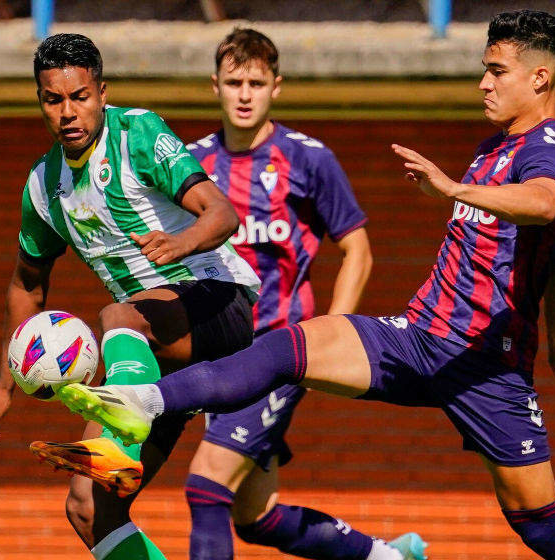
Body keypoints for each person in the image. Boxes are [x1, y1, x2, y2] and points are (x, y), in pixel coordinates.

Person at [55, 10, 555, 559]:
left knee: (539, 525)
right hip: (419, 336)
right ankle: (141, 400)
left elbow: (545, 205)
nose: (483, 82)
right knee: (287, 357)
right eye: (485, 69)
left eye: (497, 71)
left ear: (540, 78)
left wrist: (450, 189)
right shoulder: (496, 148)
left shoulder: (550, 150)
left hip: (486, 365)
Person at [0, 32, 263, 560]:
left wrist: (182, 241)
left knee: (117, 313)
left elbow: (223, 213)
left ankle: (123, 423)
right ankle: (127, 420)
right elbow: (27, 286)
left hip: (218, 304)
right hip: (148, 354)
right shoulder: (43, 185)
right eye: (53, 100)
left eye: (80, 96)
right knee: (87, 505)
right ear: (41, 102)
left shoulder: (136, 134)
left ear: (102, 92)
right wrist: (3, 386)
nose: (68, 112)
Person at [182, 28, 426, 560]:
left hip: (281, 352)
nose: (244, 94)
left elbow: (357, 249)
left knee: (206, 486)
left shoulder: (308, 159)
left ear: (277, 87)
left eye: (256, 82)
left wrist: (328, 339)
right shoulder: (190, 163)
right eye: (233, 82)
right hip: (220, 359)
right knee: (257, 518)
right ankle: (391, 558)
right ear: (214, 88)